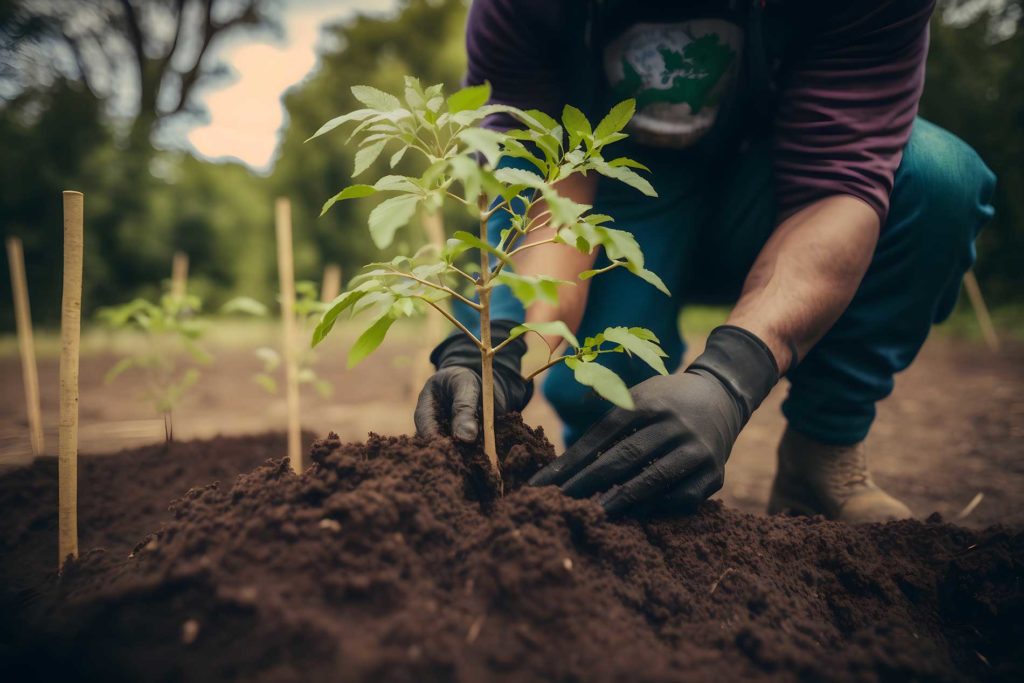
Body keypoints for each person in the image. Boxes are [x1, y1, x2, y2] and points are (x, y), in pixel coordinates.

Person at [414, 0, 996, 522]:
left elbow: (837, 187)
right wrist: (502, 347)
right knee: (613, 405)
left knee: (935, 177)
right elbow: (546, 187)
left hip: (779, 194)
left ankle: (822, 453)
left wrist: (729, 379)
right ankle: (596, 471)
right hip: (617, 200)